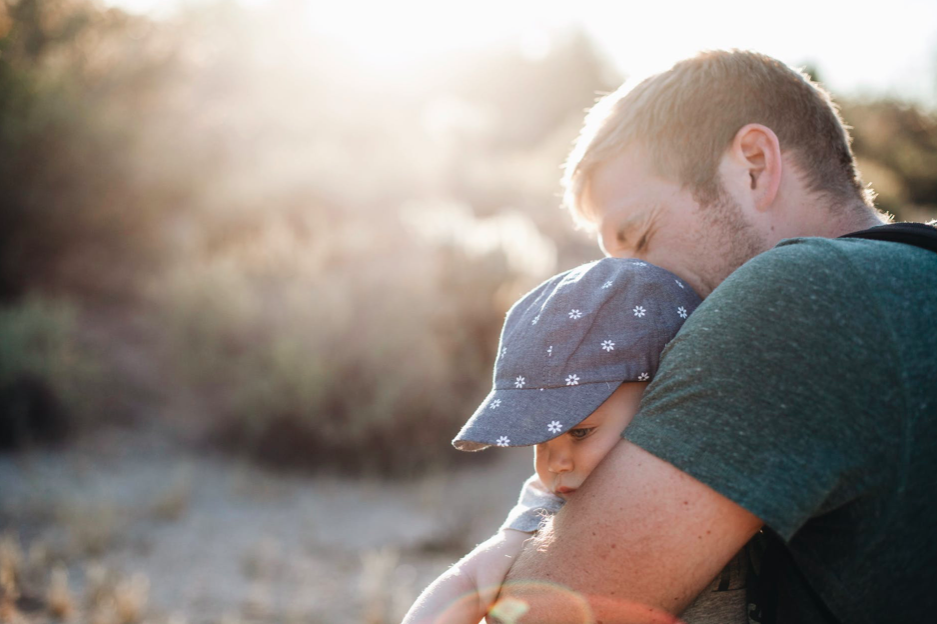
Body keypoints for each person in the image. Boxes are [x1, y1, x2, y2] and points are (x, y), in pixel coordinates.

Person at [491, 50, 937, 623]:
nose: (628, 286)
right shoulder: (912, 277)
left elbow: (543, 616)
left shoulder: (794, 297)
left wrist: (508, 547)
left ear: (754, 164)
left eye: (640, 237)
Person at [402, 258, 754, 624]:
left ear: (662, 399)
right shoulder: (553, 504)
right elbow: (469, 578)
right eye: (540, 440)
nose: (556, 463)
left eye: (580, 432)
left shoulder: (726, 462)